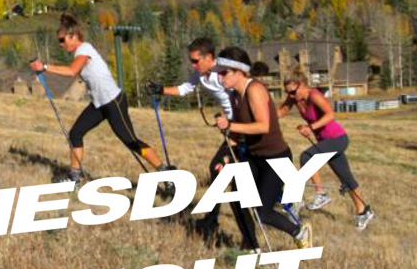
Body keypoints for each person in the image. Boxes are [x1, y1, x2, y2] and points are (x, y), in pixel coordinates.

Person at [145, 38, 258, 250]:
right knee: (223, 173)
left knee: (231, 177)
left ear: (209, 58)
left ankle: (239, 228)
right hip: (231, 129)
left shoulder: (222, 74)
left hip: (241, 130)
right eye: (191, 61)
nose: (192, 65)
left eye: (196, 61)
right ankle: (215, 219)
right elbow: (185, 89)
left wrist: (235, 129)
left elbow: (244, 97)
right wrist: (160, 90)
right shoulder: (201, 74)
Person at [30, 13, 167, 183]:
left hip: (113, 102)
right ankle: (74, 177)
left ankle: (165, 172)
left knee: (131, 141)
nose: (61, 45)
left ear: (73, 36)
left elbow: (72, 71)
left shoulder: (84, 50)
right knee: (75, 134)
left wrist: (44, 67)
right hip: (99, 104)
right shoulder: (80, 52)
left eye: (62, 40)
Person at [213, 47, 313, 249]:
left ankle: (299, 231)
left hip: (275, 159)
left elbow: (263, 125)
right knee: (237, 199)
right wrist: (226, 157)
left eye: (224, 72)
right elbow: (236, 133)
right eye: (219, 72)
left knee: (262, 211)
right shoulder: (235, 95)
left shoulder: (255, 89)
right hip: (253, 156)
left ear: (240, 71)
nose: (219, 76)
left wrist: (230, 125)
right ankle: (250, 247)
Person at [278, 68, 374, 229]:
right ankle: (363, 211)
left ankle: (321, 193)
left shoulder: (314, 95)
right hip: (324, 142)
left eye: (293, 92)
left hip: (337, 139)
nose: (291, 96)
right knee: (346, 178)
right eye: (288, 93)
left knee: (307, 156)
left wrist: (311, 127)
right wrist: (262, 118)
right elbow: (281, 111)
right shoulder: (295, 98)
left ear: (301, 85)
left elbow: (330, 114)